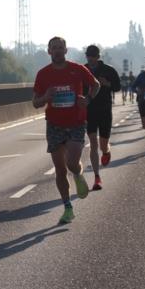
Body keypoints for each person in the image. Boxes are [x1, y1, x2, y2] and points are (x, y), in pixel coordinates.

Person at [33, 37, 100, 224]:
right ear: (49, 51)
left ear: (66, 50)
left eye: (60, 47)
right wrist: (46, 97)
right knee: (60, 170)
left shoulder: (77, 69)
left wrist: (88, 99)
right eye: (54, 48)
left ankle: (78, 174)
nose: (57, 51)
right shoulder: (43, 74)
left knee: (71, 163)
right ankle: (68, 208)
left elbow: (96, 84)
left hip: (76, 122)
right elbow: (35, 102)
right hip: (54, 125)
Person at [84, 45, 121, 191]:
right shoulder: (82, 70)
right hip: (89, 111)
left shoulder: (109, 70)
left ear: (98, 56)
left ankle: (106, 151)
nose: (91, 58)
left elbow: (118, 87)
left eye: (93, 56)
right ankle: (96, 177)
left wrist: (107, 84)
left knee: (103, 144)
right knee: (93, 143)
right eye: (89, 55)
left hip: (105, 110)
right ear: (86, 56)